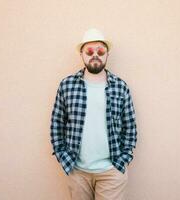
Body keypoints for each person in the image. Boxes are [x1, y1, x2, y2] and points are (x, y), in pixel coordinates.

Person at [50, 28, 138, 200]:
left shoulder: (120, 87)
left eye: (100, 51)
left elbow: (130, 126)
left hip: (111, 172)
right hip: (77, 172)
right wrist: (63, 156)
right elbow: (57, 124)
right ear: (82, 54)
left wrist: (124, 158)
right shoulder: (67, 86)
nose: (95, 55)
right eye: (89, 51)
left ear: (107, 54)